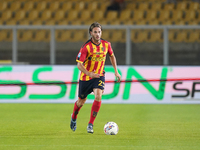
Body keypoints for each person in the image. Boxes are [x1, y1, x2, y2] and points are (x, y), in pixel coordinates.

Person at [70, 22, 121, 134]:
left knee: (98, 96)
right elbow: (79, 64)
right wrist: (89, 74)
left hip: (99, 76)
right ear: (91, 33)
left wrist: (116, 72)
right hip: (86, 77)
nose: (97, 34)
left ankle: (90, 124)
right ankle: (74, 116)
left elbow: (112, 56)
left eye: (99, 32)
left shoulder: (106, 44)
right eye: (95, 32)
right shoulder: (86, 47)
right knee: (81, 102)